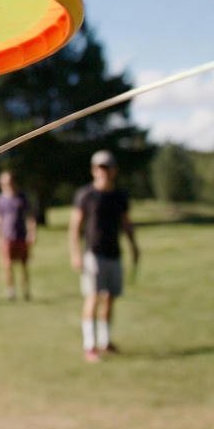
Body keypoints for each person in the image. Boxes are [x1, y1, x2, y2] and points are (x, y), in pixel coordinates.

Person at [68, 150, 140, 363]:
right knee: (93, 297)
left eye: (107, 167)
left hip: (113, 253)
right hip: (93, 254)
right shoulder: (86, 195)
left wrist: (134, 246)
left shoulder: (119, 196)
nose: (104, 172)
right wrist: (76, 254)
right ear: (93, 170)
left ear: (114, 170)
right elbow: (74, 228)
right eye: (100, 168)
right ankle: (90, 346)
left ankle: (105, 341)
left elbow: (126, 224)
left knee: (109, 298)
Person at [0, 170, 36, 301]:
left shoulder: (21, 197)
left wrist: (32, 233)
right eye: (3, 182)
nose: (6, 184)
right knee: (7, 265)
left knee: (24, 265)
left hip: (21, 236)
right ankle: (11, 291)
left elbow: (29, 217)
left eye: (8, 181)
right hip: (6, 237)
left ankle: (26, 291)